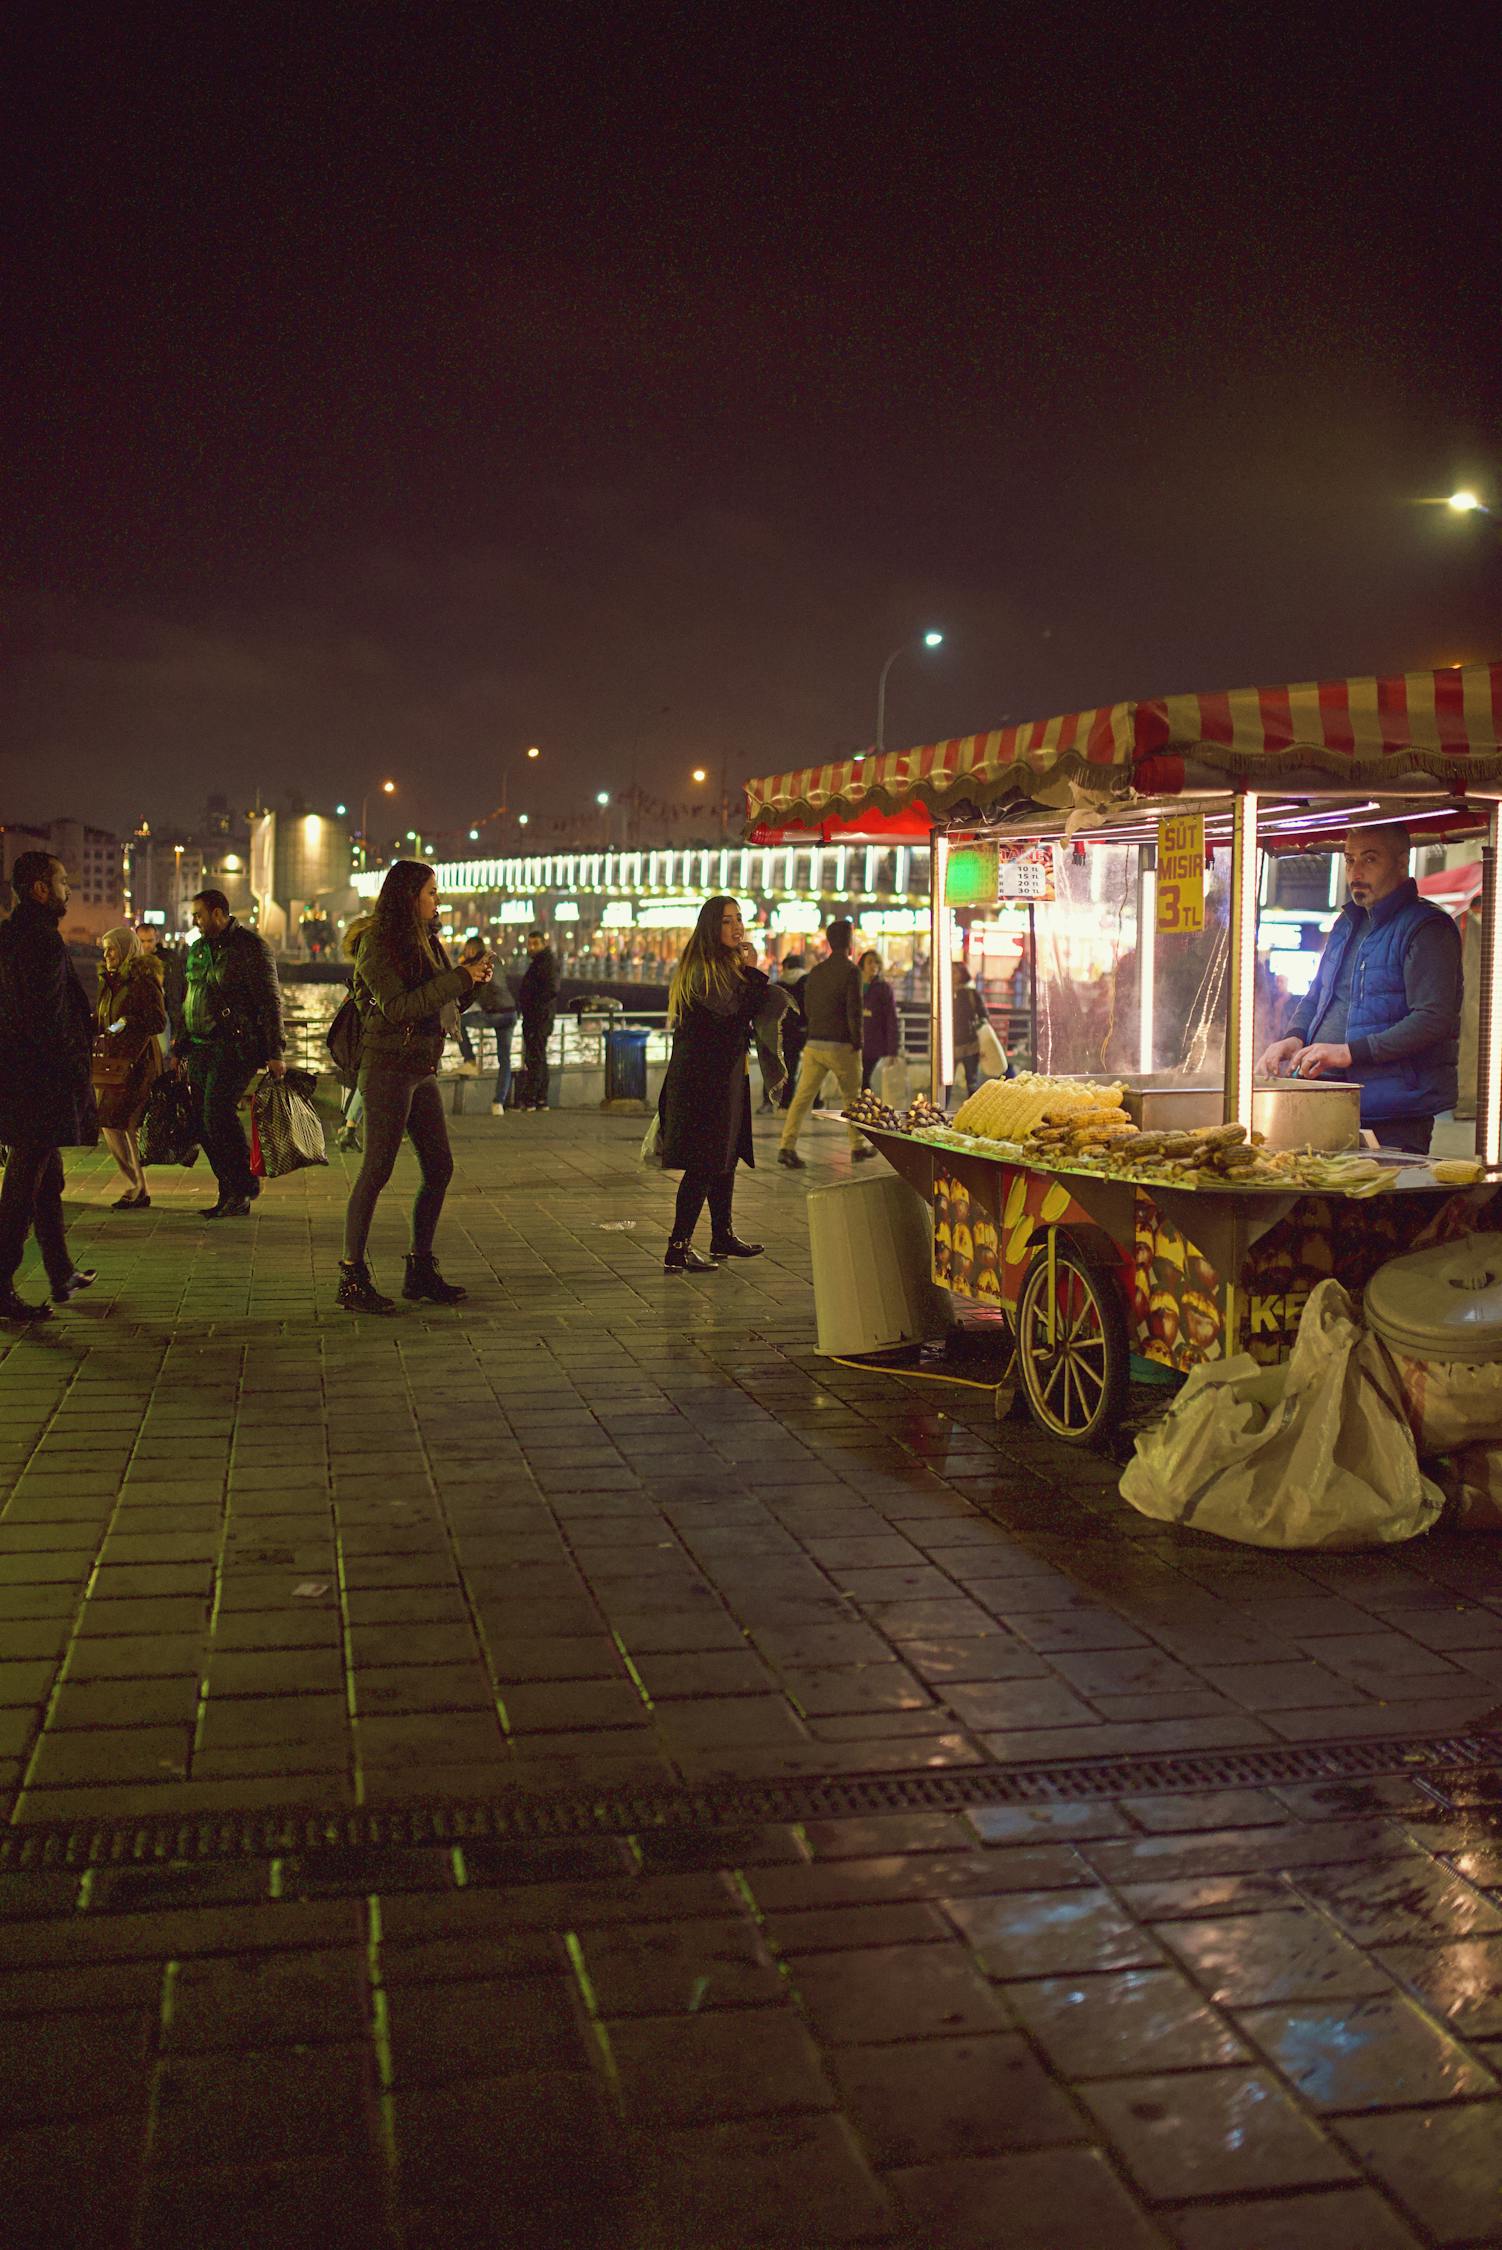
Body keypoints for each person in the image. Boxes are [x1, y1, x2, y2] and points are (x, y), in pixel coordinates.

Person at [339, 859, 490, 1312]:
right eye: (430, 892)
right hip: (387, 1066)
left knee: (439, 1167)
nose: (437, 900)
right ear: (408, 896)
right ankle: (351, 1276)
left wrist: (473, 979)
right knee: (376, 1170)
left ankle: (419, 1266)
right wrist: (458, 977)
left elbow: (445, 997)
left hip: (421, 1065)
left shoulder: (428, 941)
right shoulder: (378, 943)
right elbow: (398, 1006)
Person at [1257, 823, 1463, 1155]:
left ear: (1401, 862)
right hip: (1330, 1098)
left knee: (1374, 1202)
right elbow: (1318, 995)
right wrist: (1294, 1036)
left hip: (1394, 1111)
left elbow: (1432, 1019)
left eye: (1370, 859)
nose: (1356, 872)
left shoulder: (1427, 928)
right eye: (1350, 860)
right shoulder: (1346, 923)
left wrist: (1348, 1052)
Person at [0, 852, 99, 1321]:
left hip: (20, 1074)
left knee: (45, 1179)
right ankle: (1, 1281)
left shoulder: (13, 934)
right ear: (40, 889)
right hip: (39, 1078)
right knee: (24, 1182)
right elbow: (46, 1016)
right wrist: (70, 1070)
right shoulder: (39, 940)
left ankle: (59, 1271)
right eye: (62, 881)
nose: (68, 890)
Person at [658, 895, 781, 1271]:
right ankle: (678, 1245)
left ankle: (722, 1234)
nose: (737, 926)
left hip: (726, 1075)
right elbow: (733, 1016)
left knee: (724, 1158)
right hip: (703, 1081)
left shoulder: (723, 968)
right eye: (728, 921)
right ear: (712, 927)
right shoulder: (703, 971)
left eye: (739, 918)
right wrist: (753, 972)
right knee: (705, 1161)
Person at [171, 889, 286, 1218]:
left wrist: (275, 1050)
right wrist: (179, 1046)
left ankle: (244, 1186)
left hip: (235, 1045)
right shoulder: (196, 950)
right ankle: (229, 1190)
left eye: (199, 915)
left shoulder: (250, 948)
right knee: (201, 1121)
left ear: (218, 914)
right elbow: (188, 1000)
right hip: (200, 1045)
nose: (195, 921)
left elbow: (270, 1001)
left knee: (216, 1114)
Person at [778, 919, 869, 1169]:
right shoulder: (852, 971)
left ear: (829, 942)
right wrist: (858, 1041)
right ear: (849, 942)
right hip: (841, 1044)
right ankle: (857, 1146)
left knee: (802, 1097)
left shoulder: (816, 972)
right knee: (852, 1097)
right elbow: (855, 1010)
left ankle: (787, 1145)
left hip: (814, 1043)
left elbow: (807, 1007)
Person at [92, 924, 166, 1209]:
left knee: (125, 1122)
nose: (107, 954)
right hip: (114, 1062)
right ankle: (136, 1184)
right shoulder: (109, 981)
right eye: (105, 949)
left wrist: (127, 1023)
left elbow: (158, 1022)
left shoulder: (142, 980)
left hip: (138, 1061)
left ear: (125, 949)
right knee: (110, 1121)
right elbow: (103, 1018)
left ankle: (138, 1187)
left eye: (112, 948)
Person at [454, 938, 517, 1112]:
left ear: (472, 950)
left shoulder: (479, 964)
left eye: (466, 949)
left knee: (458, 1020)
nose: (465, 952)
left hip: (495, 1012)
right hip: (511, 1012)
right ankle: (498, 1103)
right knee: (505, 1060)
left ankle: (470, 1061)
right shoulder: (496, 961)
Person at [514, 928, 558, 1110]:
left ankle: (531, 1100)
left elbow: (548, 990)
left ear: (543, 944)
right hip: (539, 1017)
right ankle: (541, 1099)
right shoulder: (541, 962)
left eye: (535, 944)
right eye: (529, 944)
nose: (531, 947)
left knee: (534, 1058)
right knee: (539, 1056)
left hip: (538, 1018)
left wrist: (532, 1006)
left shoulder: (545, 964)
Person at [859, 949, 901, 1091]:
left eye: (877, 962)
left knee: (867, 1081)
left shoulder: (883, 988)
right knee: (859, 1082)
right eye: (870, 962)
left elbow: (891, 1019)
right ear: (862, 965)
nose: (874, 966)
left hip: (875, 1045)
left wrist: (892, 1049)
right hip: (855, 1044)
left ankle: (866, 1109)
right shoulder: (855, 986)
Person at [138, 926, 186, 1045]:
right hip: (142, 1017)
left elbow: (177, 991)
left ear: (156, 939)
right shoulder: (133, 961)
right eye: (142, 941)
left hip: (165, 1013)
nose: (146, 945)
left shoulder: (169, 960)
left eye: (150, 941)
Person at [951, 962, 990, 1099]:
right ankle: (940, 1110)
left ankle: (972, 1112)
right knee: (945, 1083)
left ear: (963, 974)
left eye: (955, 972)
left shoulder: (971, 993)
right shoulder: (945, 994)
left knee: (972, 1082)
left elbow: (984, 1014)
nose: (953, 975)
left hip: (970, 1044)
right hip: (951, 1045)